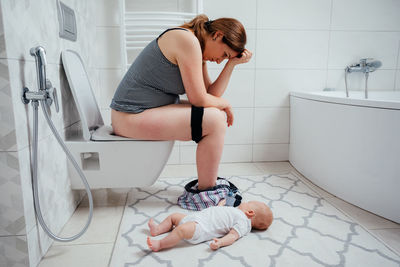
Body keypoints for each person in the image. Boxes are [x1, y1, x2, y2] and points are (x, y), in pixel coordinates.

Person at [110, 14, 252, 190]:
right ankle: (207, 193)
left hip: (139, 113)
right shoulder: (187, 40)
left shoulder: (196, 46)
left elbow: (210, 95)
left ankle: (208, 187)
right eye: (224, 54)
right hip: (129, 116)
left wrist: (230, 65)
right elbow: (199, 99)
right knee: (215, 121)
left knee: (215, 115)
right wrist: (225, 104)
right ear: (217, 35)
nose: (219, 60)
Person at [146, 200, 273, 252]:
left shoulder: (243, 221)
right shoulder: (235, 212)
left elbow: (233, 236)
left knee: (181, 230)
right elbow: (220, 215)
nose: (243, 202)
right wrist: (220, 206)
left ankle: (160, 244)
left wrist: (220, 242)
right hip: (196, 218)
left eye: (247, 203)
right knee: (174, 216)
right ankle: (158, 229)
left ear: (250, 213)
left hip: (201, 228)